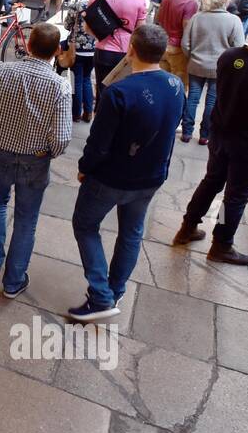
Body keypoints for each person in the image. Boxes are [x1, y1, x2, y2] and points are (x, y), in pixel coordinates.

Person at [70, 24, 184, 320]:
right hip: (151, 176)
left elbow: (99, 142)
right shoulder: (175, 85)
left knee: (85, 225)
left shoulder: (118, 92)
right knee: (132, 232)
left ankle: (101, 296)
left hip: (112, 176)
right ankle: (115, 289)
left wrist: (85, 168)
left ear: (131, 49)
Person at [174, 9, 248, 266]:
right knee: (236, 196)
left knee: (211, 182)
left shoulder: (229, 56)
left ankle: (187, 227)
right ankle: (222, 244)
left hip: (221, 133)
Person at [0, 23, 71, 299]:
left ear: (28, 45)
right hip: (34, 160)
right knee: (27, 218)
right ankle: (13, 281)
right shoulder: (60, 86)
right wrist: (47, 152)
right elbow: (61, 139)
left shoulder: (3, 73)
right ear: (57, 52)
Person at [180, 0, 245, 144]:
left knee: (193, 98)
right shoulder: (234, 21)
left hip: (196, 64)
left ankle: (187, 132)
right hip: (220, 68)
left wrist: (192, 56)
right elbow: (238, 47)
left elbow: (185, 44)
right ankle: (205, 135)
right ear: (225, 0)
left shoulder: (197, 18)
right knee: (212, 101)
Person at [91, 0, 148, 91]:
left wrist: (102, 35)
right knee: (121, 94)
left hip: (102, 50)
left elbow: (88, 27)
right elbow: (140, 32)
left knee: (102, 93)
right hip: (125, 53)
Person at [157, 0, 210, 88]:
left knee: (161, 84)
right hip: (177, 50)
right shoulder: (190, 3)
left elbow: (159, 16)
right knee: (178, 86)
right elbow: (187, 30)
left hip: (162, 42)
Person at [65, 0, 101, 122]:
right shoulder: (101, 6)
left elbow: (68, 25)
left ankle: (76, 113)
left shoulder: (79, 5)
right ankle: (88, 112)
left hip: (77, 49)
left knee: (77, 81)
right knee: (87, 79)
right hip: (95, 48)